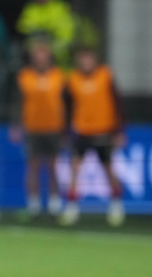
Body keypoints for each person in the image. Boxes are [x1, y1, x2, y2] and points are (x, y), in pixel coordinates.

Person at [60, 47, 126, 227]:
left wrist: (119, 131)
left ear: (95, 59)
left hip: (103, 130)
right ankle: (72, 207)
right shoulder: (72, 79)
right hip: (81, 131)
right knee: (75, 167)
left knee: (108, 168)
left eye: (89, 58)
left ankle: (116, 205)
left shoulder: (105, 75)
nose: (86, 62)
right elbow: (67, 107)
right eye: (83, 58)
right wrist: (66, 132)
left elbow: (118, 103)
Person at [11, 41, 66, 217]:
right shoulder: (24, 76)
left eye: (44, 55)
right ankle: (33, 204)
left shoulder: (59, 76)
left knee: (53, 167)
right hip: (32, 128)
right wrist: (16, 124)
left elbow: (66, 103)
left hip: (54, 128)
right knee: (33, 167)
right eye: (37, 55)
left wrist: (66, 129)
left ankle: (54, 204)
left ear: (49, 57)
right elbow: (18, 102)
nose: (41, 58)